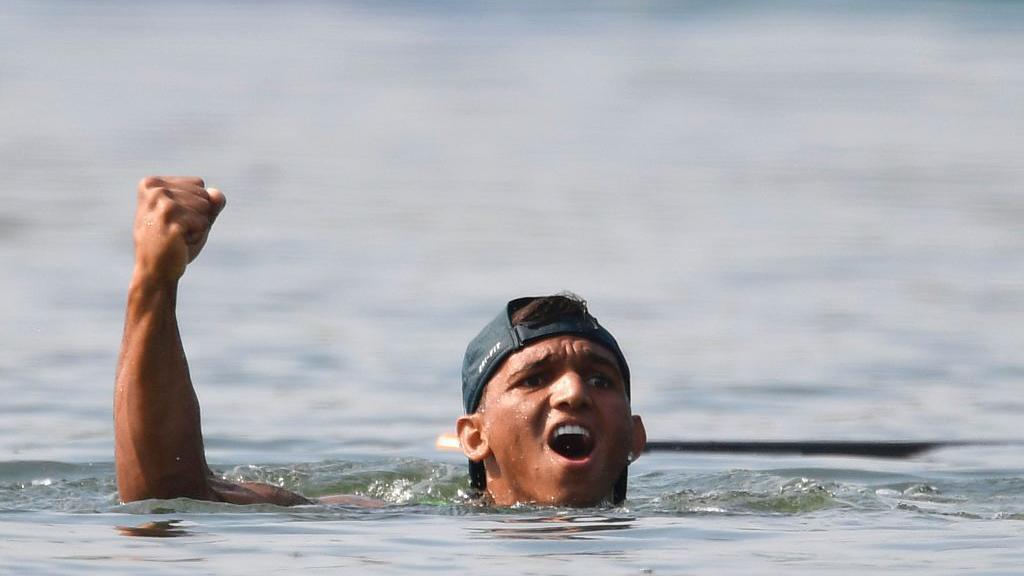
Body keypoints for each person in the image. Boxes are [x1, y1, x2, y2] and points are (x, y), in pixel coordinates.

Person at [115, 176, 647, 507]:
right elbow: (170, 494)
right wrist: (154, 287)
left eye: (600, 378)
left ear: (634, 439)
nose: (573, 393)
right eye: (534, 378)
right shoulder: (387, 522)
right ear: (473, 438)